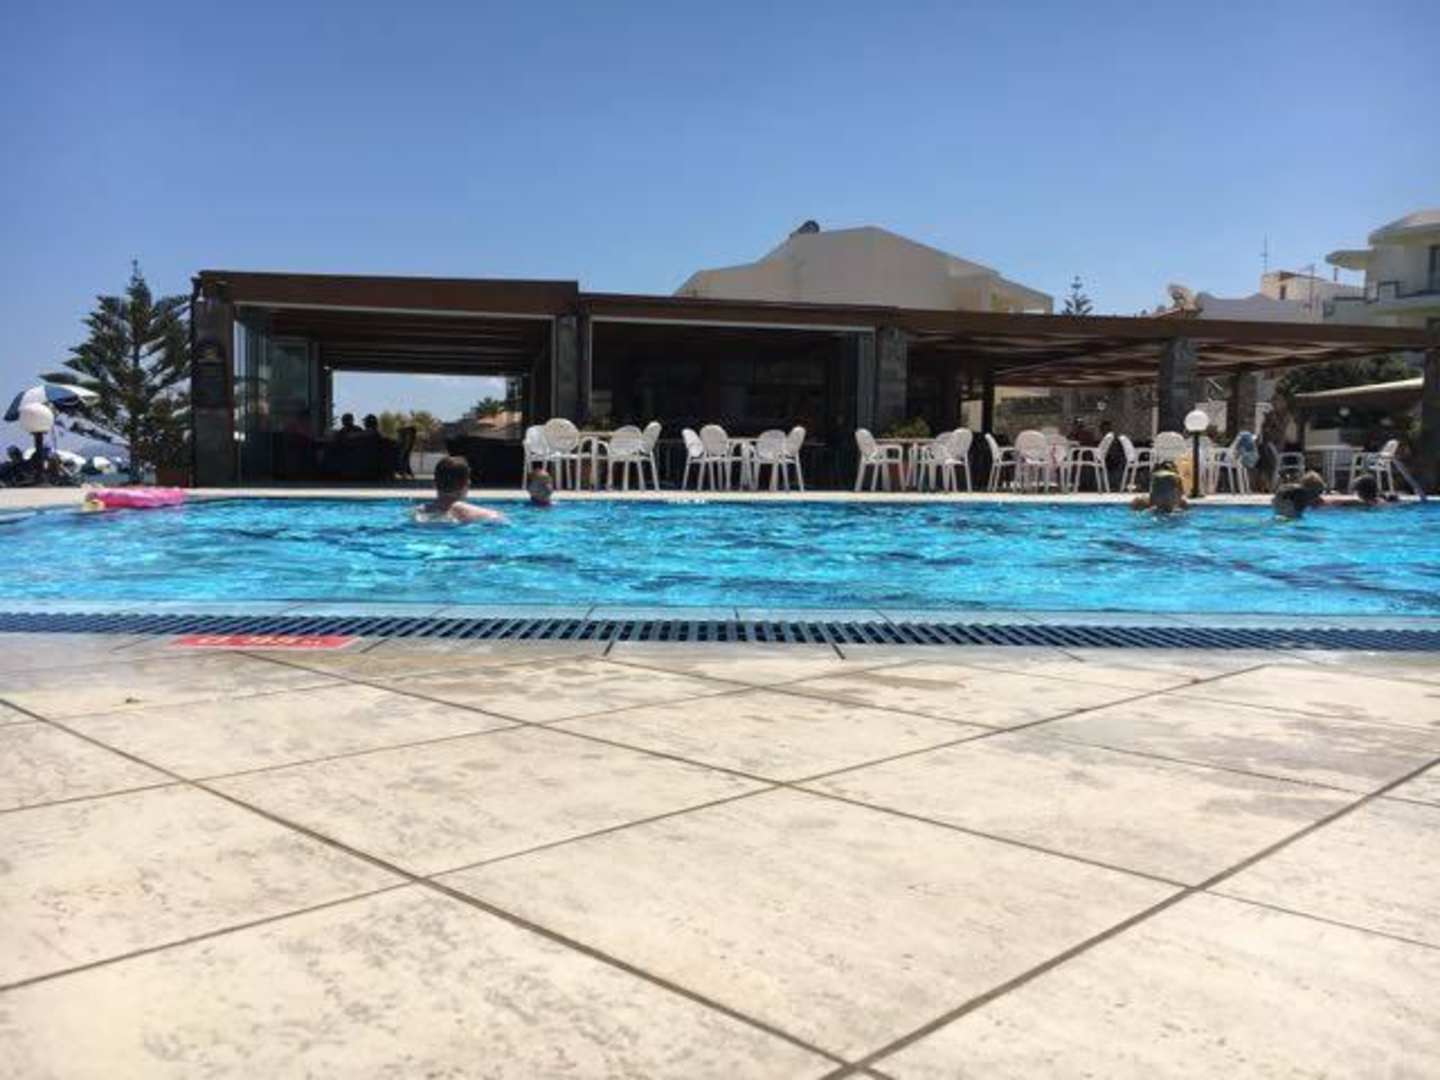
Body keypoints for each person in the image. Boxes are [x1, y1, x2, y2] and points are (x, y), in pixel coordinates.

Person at [413, 455, 506, 524]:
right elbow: (499, 519)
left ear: (434, 483)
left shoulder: (418, 512)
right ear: (467, 484)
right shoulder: (485, 514)